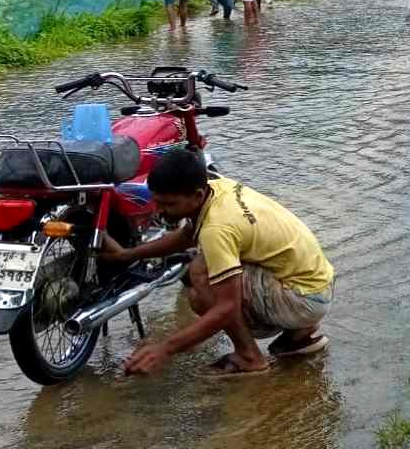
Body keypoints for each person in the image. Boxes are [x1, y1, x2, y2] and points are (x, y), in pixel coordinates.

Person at [102, 148, 335, 377]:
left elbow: (227, 308)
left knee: (200, 275)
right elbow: (186, 236)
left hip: (304, 298)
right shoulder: (216, 187)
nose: (160, 212)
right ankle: (298, 334)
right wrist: (128, 254)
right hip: (315, 284)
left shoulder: (217, 228)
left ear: (197, 196)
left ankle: (249, 357)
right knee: (211, 266)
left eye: (169, 204)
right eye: (157, 202)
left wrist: (165, 348)